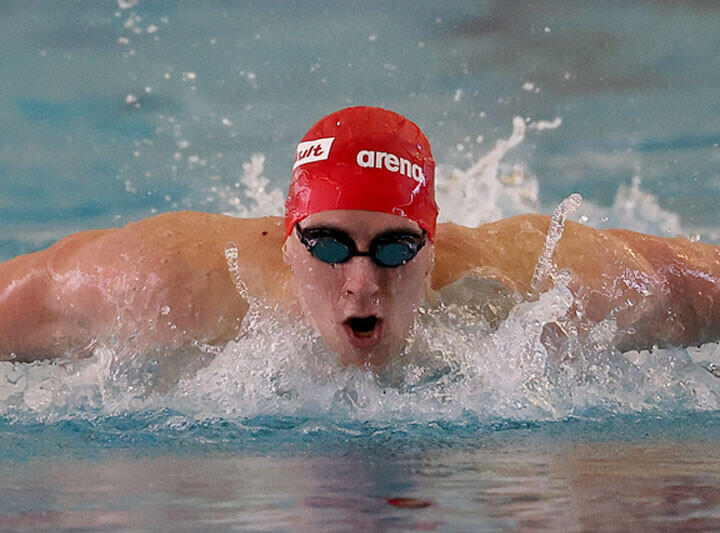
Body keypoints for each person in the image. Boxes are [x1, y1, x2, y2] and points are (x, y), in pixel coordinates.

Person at [1, 105, 720, 368]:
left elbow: (686, 278)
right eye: (329, 244)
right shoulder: (167, 283)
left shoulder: (522, 286)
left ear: (432, 245)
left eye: (396, 248)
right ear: (288, 237)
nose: (361, 282)